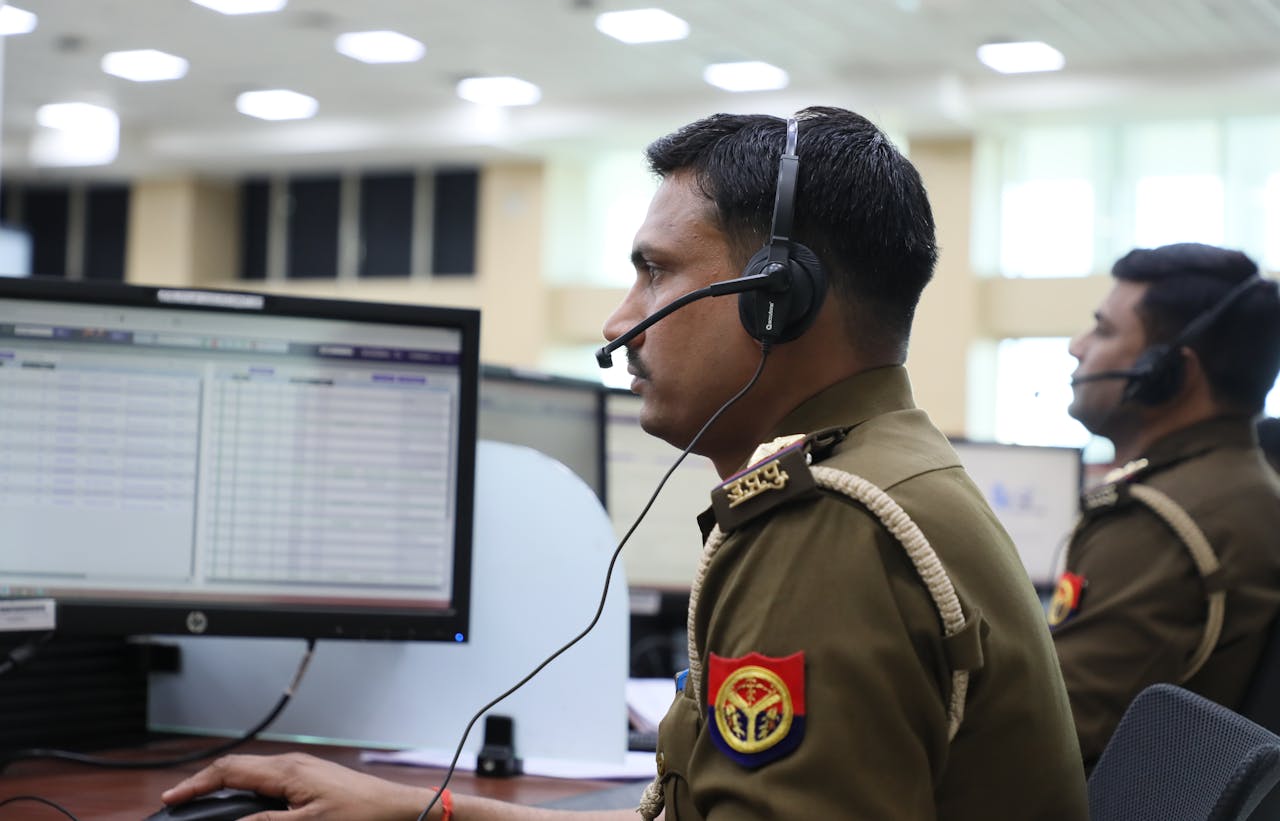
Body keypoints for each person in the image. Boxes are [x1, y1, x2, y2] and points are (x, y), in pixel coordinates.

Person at [160, 107, 1088, 819]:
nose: (618, 322)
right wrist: (425, 805)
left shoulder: (832, 530)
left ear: (778, 299)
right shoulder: (886, 473)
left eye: (655, 271)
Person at [1050, 242, 1280, 770]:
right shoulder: (1243, 485)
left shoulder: (1159, 524)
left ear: (1167, 371)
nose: (1076, 347)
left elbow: (1047, 729)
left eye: (1104, 331)